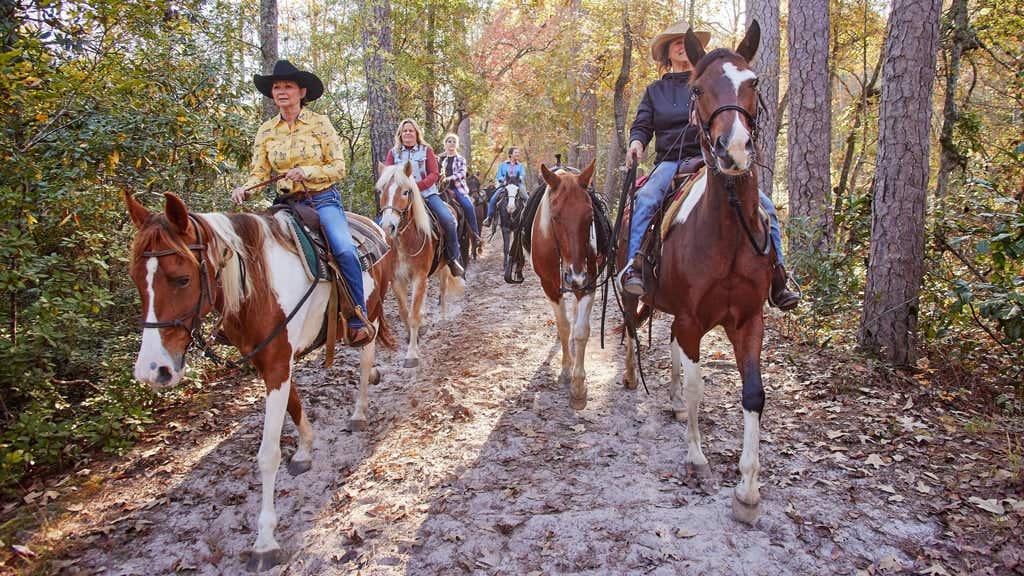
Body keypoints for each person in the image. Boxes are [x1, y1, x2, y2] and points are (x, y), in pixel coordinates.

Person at [618, 20, 799, 311]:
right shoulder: (655, 91)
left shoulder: (712, 81)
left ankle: (778, 277)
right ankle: (634, 267)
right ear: (666, 51)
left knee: (766, 208)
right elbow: (642, 125)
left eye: (683, 41)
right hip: (671, 162)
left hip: (709, 160)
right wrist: (636, 143)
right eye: (673, 41)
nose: (680, 45)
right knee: (647, 199)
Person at [231, 60, 373, 345]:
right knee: (249, 248)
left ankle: (358, 317)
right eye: (277, 87)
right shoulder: (266, 131)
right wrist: (245, 189)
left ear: (301, 91)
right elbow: (259, 172)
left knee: (344, 250)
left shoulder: (320, 124)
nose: (282, 92)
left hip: (322, 200)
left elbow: (338, 167)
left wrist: (306, 171)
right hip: (285, 202)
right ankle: (243, 321)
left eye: (288, 86)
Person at [384, 119, 465, 278]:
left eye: (411, 130)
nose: (408, 133)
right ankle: (382, 261)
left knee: (448, 219)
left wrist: (417, 186)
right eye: (405, 130)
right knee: (382, 222)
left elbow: (434, 174)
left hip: (427, 194)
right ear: (400, 134)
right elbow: (387, 174)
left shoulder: (426, 150)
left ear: (416, 133)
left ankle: (453, 258)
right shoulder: (393, 153)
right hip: (401, 198)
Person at [436, 133, 480, 240]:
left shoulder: (460, 159)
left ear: (457, 144)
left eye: (454, 142)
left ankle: (475, 234)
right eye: (449, 141)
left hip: (457, 188)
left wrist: (448, 178)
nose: (451, 144)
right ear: (445, 144)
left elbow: (462, 174)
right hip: (440, 188)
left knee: (468, 206)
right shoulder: (440, 158)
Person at [482, 147, 528, 227]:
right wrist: (504, 180)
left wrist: (515, 179)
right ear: (510, 154)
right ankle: (489, 218)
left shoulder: (520, 165)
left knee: (527, 198)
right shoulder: (502, 165)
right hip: (505, 185)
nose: (518, 154)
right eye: (516, 152)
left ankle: (528, 217)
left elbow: (522, 175)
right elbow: (498, 176)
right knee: (493, 198)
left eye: (518, 153)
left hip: (517, 185)